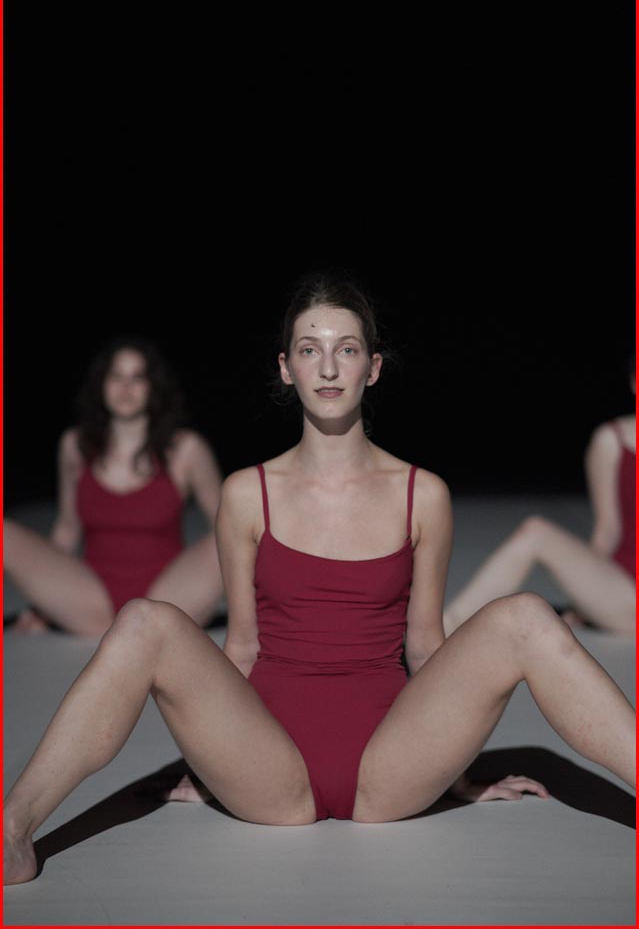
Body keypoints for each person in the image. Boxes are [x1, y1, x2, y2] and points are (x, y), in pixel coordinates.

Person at [4, 272, 635, 885]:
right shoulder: (246, 494)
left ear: (373, 368)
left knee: (525, 616)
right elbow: (242, 646)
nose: (328, 368)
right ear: (287, 368)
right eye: (310, 350)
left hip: (390, 765)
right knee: (144, 620)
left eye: (347, 350)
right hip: (271, 768)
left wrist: (457, 774)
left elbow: (425, 646)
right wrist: (211, 760)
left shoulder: (423, 494)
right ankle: (13, 829)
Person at [4, 336, 224, 635]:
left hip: (169, 598)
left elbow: (226, 529)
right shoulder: (75, 446)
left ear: (153, 387)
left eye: (137, 377)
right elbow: (67, 529)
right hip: (92, 602)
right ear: (101, 385)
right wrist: (43, 604)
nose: (125, 387)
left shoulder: (186, 449)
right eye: (116, 376)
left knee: (236, 526)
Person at [443, 356, 636, 636]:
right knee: (536, 531)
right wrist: (587, 597)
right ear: (634, 383)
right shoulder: (610, 441)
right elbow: (608, 530)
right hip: (624, 592)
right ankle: (445, 626)